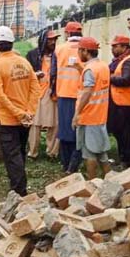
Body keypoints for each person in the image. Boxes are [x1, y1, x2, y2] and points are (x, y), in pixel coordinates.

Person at [0, 26, 39, 196]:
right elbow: (35, 88)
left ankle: (19, 192)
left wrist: (18, 113)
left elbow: (0, 96)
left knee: (12, 156)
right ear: (12, 43)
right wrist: (29, 112)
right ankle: (19, 186)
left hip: (7, 120)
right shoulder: (24, 62)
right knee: (20, 153)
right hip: (24, 119)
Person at [71, 37, 112, 179]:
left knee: (89, 152)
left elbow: (88, 91)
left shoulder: (90, 69)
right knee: (100, 152)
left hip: (89, 116)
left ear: (85, 51)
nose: (78, 53)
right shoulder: (103, 66)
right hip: (100, 115)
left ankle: (92, 182)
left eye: (79, 50)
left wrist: (77, 114)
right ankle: (111, 179)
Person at [55, 21, 84, 173]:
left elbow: (53, 73)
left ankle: (66, 164)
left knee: (65, 130)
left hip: (63, 94)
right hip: (82, 95)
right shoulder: (86, 47)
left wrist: (53, 92)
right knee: (79, 130)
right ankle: (74, 164)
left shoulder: (59, 49)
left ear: (67, 33)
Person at [26, 30, 60, 159]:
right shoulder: (32, 55)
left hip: (52, 92)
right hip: (36, 93)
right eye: (50, 39)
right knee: (34, 123)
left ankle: (52, 152)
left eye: (54, 40)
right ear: (43, 40)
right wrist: (35, 75)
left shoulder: (58, 55)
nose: (53, 42)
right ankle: (32, 152)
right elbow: (26, 73)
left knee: (54, 124)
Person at [107, 34, 130, 169]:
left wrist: (109, 78)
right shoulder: (121, 60)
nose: (113, 49)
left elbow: (126, 80)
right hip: (120, 102)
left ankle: (128, 162)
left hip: (127, 104)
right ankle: (124, 159)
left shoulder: (129, 61)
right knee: (120, 133)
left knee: (127, 135)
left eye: (116, 46)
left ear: (124, 47)